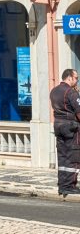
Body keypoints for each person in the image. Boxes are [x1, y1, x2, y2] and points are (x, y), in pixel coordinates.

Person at [50, 68, 80, 198]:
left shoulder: (54, 91)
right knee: (72, 157)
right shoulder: (71, 93)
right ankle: (69, 187)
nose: (77, 80)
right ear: (69, 78)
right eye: (76, 78)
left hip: (58, 126)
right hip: (71, 127)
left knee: (62, 156)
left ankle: (62, 186)